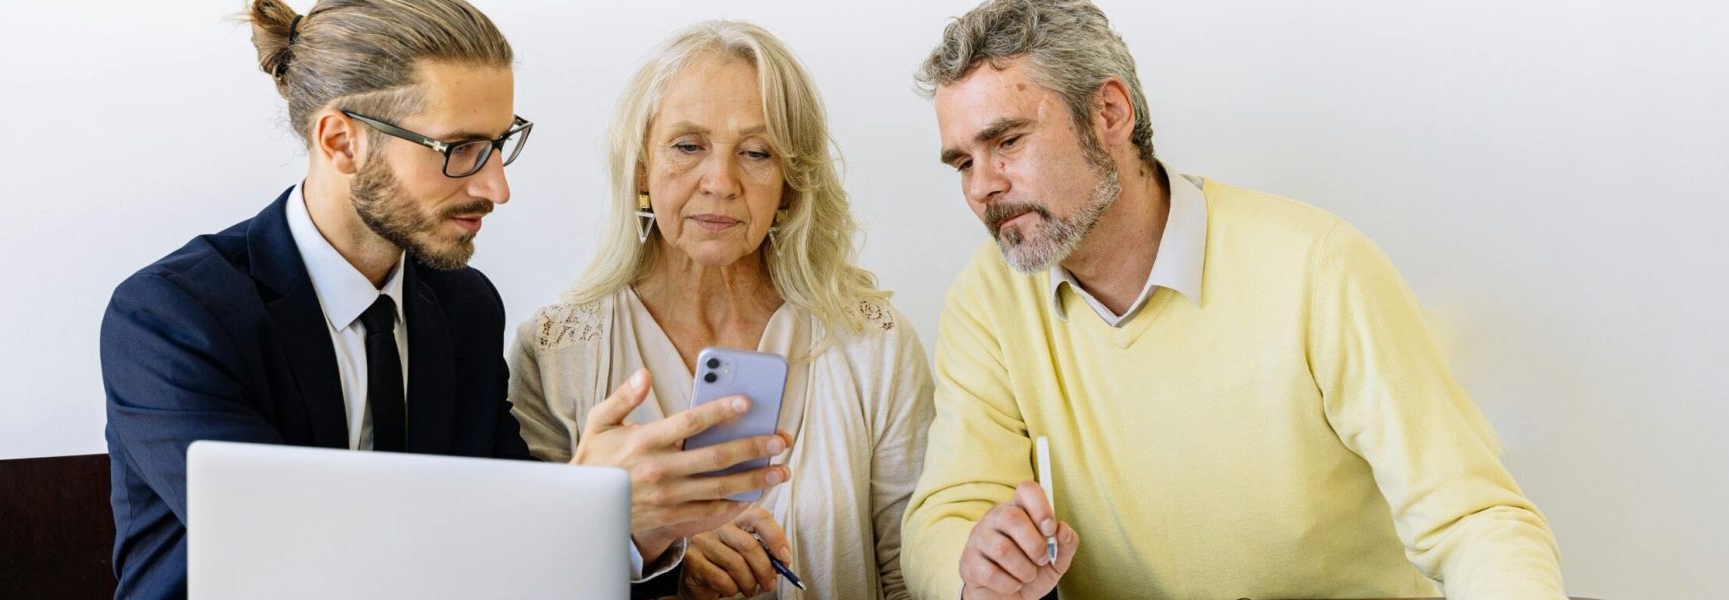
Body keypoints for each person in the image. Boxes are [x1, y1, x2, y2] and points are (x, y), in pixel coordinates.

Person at [99, 2, 788, 597]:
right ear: (341, 141)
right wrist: (586, 504)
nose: (496, 187)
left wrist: (643, 527)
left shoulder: (463, 309)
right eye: (458, 149)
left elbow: (524, 569)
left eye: (498, 145)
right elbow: (301, 569)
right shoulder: (172, 318)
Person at [898, 1, 1567, 598]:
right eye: (962, 162)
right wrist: (974, 570)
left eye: (1007, 141)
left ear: (1109, 114)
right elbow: (949, 510)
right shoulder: (987, 300)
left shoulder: (1318, 267)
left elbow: (1474, 519)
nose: (982, 187)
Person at [507, 21, 932, 600]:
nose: (721, 181)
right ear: (640, 168)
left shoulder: (871, 343)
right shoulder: (557, 350)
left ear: (789, 182)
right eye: (687, 146)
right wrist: (646, 540)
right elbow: (529, 576)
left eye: (756, 152)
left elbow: (912, 575)